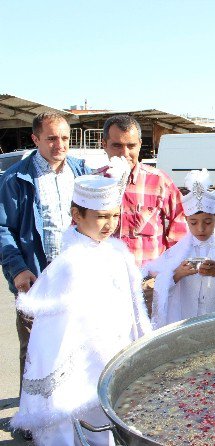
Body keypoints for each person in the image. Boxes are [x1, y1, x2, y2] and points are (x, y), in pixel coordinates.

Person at [11, 171, 152, 446]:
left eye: (114, 215)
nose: (109, 224)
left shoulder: (116, 253)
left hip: (114, 352)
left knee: (110, 419)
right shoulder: (69, 264)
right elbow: (54, 335)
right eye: (100, 216)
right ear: (77, 215)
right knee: (80, 423)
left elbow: (132, 309)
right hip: (81, 364)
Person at [0, 113, 89, 413]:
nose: (59, 144)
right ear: (35, 139)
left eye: (64, 138)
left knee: (73, 341)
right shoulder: (15, 179)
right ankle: (31, 414)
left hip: (75, 278)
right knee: (34, 347)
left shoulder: (80, 172)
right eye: (51, 138)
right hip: (36, 278)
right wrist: (18, 270)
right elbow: (3, 229)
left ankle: (67, 407)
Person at [101, 114, 188, 314]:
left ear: (140, 144)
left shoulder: (159, 182)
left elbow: (180, 236)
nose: (125, 153)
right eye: (117, 146)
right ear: (104, 144)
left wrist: (165, 277)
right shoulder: (93, 185)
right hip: (106, 289)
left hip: (150, 287)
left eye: (131, 146)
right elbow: (79, 236)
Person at [146, 169, 215, 328]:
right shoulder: (178, 252)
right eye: (193, 223)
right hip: (186, 325)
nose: (200, 229)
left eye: (207, 222)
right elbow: (160, 287)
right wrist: (178, 274)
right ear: (186, 220)